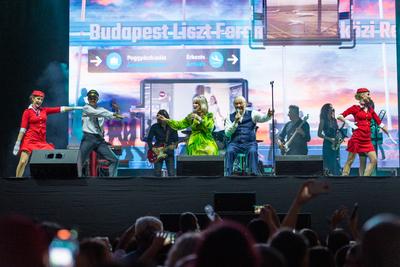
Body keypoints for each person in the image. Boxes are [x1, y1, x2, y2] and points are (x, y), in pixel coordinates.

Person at [13, 90, 82, 177]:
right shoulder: (27, 112)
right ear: (33, 99)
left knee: (53, 157)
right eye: (38, 99)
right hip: (29, 140)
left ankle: (49, 180)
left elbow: (60, 109)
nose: (40, 101)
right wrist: (17, 143)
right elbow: (22, 129)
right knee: (23, 162)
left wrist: (75, 108)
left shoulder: (44, 110)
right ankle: (17, 181)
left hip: (41, 141)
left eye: (41, 100)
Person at [337, 88, 389, 176]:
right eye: (368, 94)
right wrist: (350, 123)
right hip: (357, 138)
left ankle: (365, 179)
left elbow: (379, 123)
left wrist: (387, 132)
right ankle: (344, 178)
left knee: (374, 160)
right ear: (362, 95)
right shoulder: (354, 108)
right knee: (350, 160)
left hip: (366, 140)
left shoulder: (370, 110)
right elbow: (339, 116)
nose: (369, 96)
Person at [78, 89, 124, 177]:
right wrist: (112, 114)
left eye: (94, 98)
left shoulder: (102, 109)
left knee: (114, 160)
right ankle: (78, 182)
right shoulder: (86, 108)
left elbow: (116, 118)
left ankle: (112, 180)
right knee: (79, 161)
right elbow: (97, 113)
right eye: (91, 98)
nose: (92, 99)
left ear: (97, 99)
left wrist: (117, 111)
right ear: (88, 99)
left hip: (99, 140)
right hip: (88, 138)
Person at [224, 96, 273, 176]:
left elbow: (263, 118)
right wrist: (235, 122)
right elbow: (227, 133)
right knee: (229, 151)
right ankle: (227, 174)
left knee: (252, 151)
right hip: (235, 143)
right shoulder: (229, 117)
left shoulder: (252, 113)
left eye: (241, 103)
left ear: (245, 104)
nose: (239, 105)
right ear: (234, 105)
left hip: (249, 143)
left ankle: (254, 174)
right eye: (236, 104)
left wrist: (268, 115)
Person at [146, 109, 179, 177]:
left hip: (169, 152)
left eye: (162, 117)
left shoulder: (172, 127)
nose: (160, 119)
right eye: (159, 117)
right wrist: (153, 149)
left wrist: (175, 146)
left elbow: (176, 140)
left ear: (166, 117)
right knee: (157, 173)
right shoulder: (154, 127)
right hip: (157, 152)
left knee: (171, 173)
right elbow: (149, 139)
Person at [318, 103, 341, 175]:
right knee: (328, 163)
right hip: (327, 144)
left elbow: (337, 130)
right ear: (326, 109)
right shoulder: (323, 120)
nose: (332, 109)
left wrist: (339, 137)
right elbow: (319, 134)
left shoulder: (334, 120)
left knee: (336, 161)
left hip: (335, 144)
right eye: (331, 107)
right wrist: (329, 139)